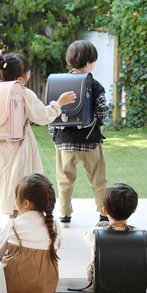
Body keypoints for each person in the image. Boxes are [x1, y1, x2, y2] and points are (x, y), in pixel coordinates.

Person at [0, 53, 76, 234]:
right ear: (20, 78)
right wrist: (59, 104)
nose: (30, 74)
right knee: (19, 186)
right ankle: (15, 231)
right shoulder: (23, 93)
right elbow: (43, 116)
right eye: (28, 71)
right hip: (18, 146)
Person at [51, 40, 109, 225]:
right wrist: (99, 125)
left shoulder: (57, 83)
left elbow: (52, 110)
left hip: (64, 141)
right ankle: (103, 213)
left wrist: (53, 135)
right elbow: (102, 110)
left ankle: (65, 213)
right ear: (89, 62)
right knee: (98, 178)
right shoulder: (94, 84)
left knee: (64, 179)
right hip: (90, 140)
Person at [0, 173, 62, 293]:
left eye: (16, 197)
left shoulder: (13, 225)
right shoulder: (55, 226)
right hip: (45, 289)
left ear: (26, 203)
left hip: (11, 290)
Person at [83, 183, 139, 281]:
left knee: (101, 228)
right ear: (134, 210)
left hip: (100, 281)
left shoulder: (96, 232)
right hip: (131, 281)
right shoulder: (139, 234)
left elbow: (86, 236)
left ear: (105, 211)